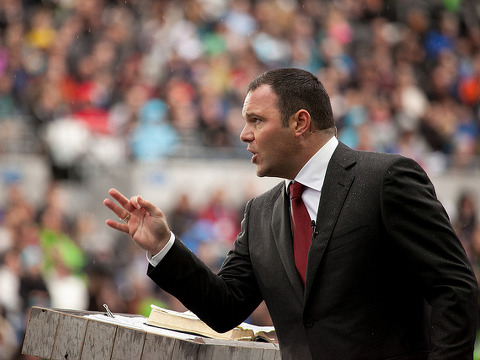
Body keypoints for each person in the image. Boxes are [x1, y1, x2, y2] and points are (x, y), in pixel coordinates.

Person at [104, 68, 478, 360]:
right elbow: (224, 307)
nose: (243, 135)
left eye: (256, 121)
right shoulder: (261, 213)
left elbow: (455, 288)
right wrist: (163, 246)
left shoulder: (385, 180)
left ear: (300, 122)